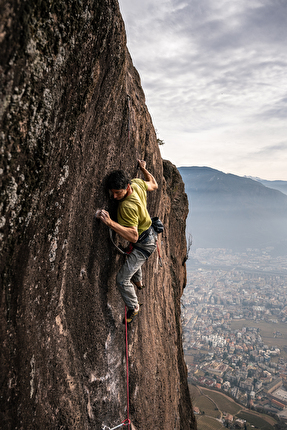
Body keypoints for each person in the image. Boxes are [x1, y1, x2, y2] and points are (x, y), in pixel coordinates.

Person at [97, 159, 158, 323]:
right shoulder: (137, 184)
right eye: (113, 193)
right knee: (132, 258)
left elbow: (133, 236)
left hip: (143, 243)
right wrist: (144, 169)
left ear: (127, 187)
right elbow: (153, 184)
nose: (115, 197)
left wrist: (110, 223)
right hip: (149, 234)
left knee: (122, 279)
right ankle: (139, 283)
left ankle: (134, 307)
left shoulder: (126, 207)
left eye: (118, 193)